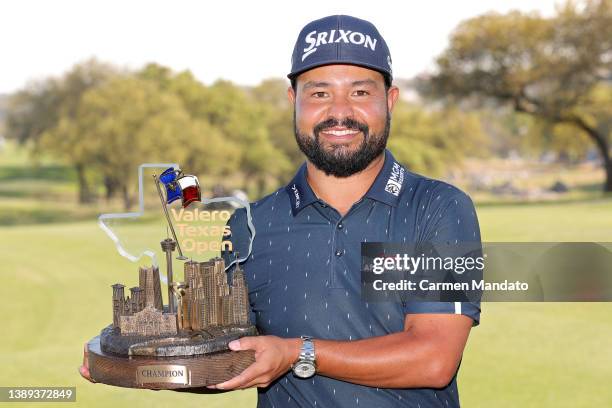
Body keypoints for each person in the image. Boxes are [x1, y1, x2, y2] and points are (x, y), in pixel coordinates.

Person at [81, 14, 481, 408]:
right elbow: (234, 357)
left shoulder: (437, 208)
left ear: (389, 100)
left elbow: (433, 358)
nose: (339, 112)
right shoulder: (250, 225)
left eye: (360, 93)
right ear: (294, 101)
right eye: (319, 93)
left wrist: (295, 353)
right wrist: (145, 364)